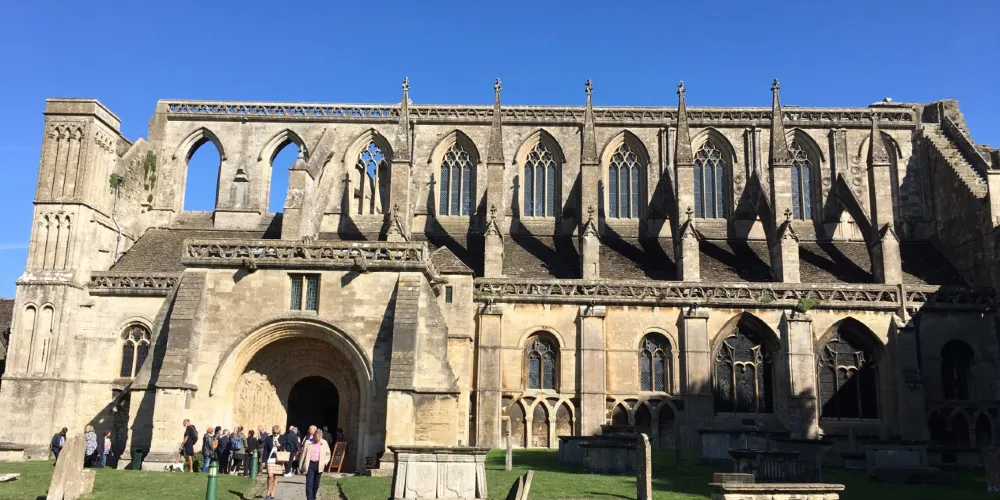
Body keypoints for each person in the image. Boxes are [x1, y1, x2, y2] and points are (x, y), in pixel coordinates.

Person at [298, 429, 331, 500]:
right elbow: (303, 454)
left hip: (319, 465)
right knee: (309, 484)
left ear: (321, 436)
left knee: (316, 484)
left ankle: (313, 496)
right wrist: (300, 465)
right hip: (310, 464)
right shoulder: (308, 442)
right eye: (316, 437)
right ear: (313, 436)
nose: (317, 439)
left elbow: (328, 454)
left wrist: (324, 463)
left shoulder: (324, 443)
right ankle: (309, 498)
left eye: (318, 437)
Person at [263, 425, 283, 500]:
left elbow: (285, 448)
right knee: (270, 475)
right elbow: (265, 450)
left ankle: (273, 491)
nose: (275, 434)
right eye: (274, 433)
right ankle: (268, 491)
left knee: (275, 476)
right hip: (270, 459)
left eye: (277, 433)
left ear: (279, 432)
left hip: (278, 459)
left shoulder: (282, 438)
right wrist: (263, 461)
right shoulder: (268, 438)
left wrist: (279, 446)